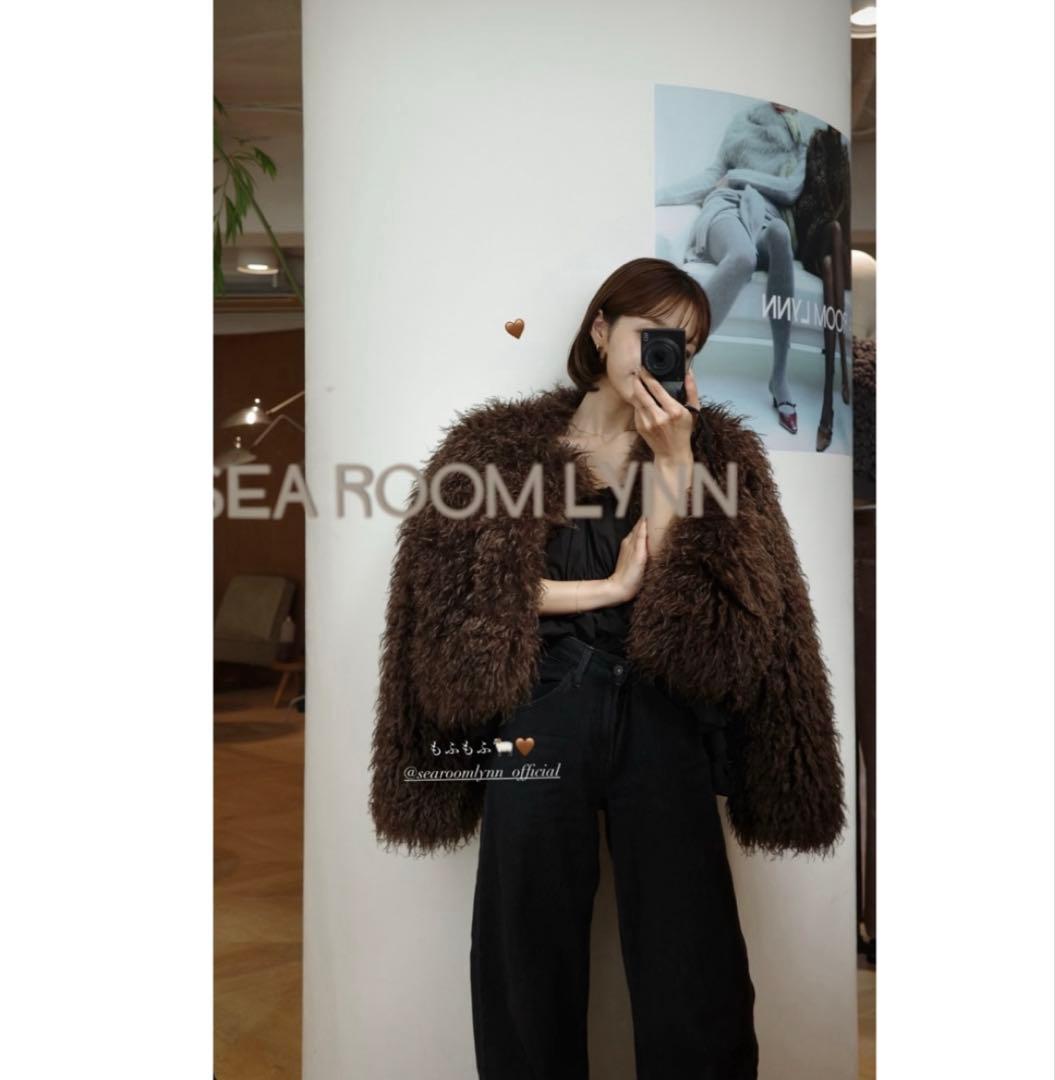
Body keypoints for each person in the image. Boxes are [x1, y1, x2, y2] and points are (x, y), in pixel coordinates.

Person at [368, 257, 846, 1080]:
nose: (666, 357)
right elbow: (466, 600)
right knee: (525, 945)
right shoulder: (497, 451)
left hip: (663, 705)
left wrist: (674, 461)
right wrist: (606, 587)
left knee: (692, 954)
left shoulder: (713, 454)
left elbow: (705, 611)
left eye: (684, 345)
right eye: (652, 334)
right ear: (599, 329)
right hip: (539, 704)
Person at [657, 100, 810, 435]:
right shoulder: (743, 122)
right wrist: (658, 194)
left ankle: (779, 377)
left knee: (780, 234)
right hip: (725, 209)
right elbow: (713, 176)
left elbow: (791, 189)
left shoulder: (801, 140)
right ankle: (678, 357)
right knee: (742, 256)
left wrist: (737, 176)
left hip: (766, 214)